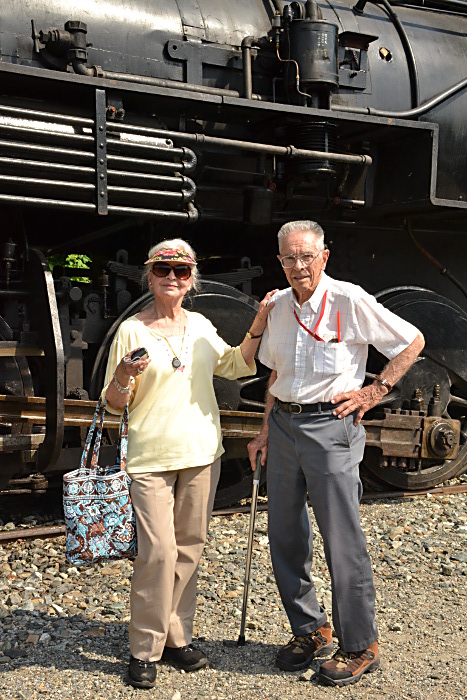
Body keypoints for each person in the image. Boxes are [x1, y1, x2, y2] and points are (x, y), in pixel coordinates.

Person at [247, 220, 425, 687]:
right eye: (289, 257)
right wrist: (265, 429)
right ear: (279, 260)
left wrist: (376, 390)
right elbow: (275, 374)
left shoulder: (349, 298)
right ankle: (310, 630)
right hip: (284, 424)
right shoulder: (279, 305)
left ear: (324, 256)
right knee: (285, 534)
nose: (298, 266)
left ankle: (359, 644)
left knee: (341, 541)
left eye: (306, 256)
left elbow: (412, 341)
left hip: (331, 426)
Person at [103, 238, 276, 689]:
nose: (172, 278)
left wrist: (258, 322)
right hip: (149, 457)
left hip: (201, 453)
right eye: (164, 270)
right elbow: (113, 403)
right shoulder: (132, 331)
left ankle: (177, 639)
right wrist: (122, 377)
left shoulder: (200, 324)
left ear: (192, 279)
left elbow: (235, 366)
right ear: (150, 275)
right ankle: (144, 649)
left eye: (182, 272)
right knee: (156, 553)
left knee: (189, 548)